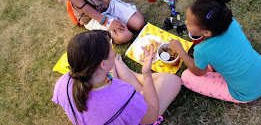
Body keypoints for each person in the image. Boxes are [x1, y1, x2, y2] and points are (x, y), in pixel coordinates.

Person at [52, 30, 181, 125]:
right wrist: (147, 74)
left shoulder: (62, 82)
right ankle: (132, 74)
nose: (113, 51)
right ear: (103, 64)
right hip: (130, 108)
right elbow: (151, 116)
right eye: (111, 49)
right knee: (172, 80)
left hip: (118, 104)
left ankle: (127, 72)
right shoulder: (123, 95)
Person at [170, 0, 261, 103]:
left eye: (189, 22)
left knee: (186, 76)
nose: (185, 22)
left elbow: (198, 72)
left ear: (207, 33)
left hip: (247, 93)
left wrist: (179, 50)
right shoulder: (231, 22)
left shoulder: (201, 50)